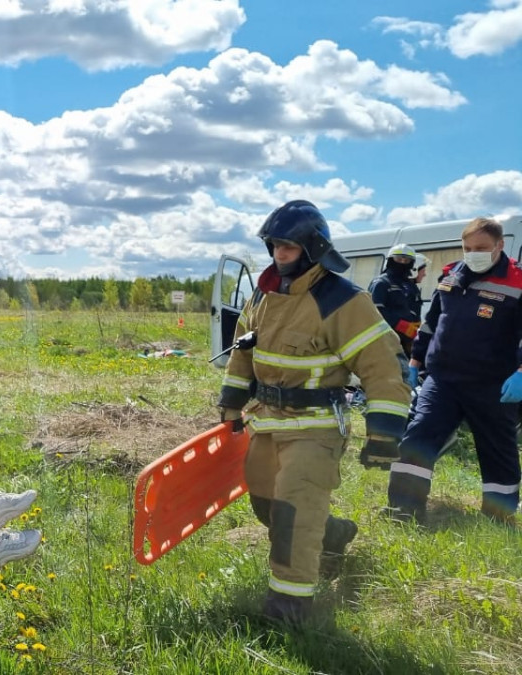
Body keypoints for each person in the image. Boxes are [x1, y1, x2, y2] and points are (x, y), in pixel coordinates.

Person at [218, 200, 411, 624]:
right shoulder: (264, 293)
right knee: (267, 507)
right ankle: (333, 534)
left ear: (311, 248)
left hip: (316, 428)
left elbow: (382, 365)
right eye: (273, 246)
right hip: (268, 422)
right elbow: (242, 352)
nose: (277, 255)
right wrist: (231, 405)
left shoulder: (342, 299)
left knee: (292, 515)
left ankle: (288, 611)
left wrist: (384, 433)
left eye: (286, 247)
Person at [385, 217, 522, 526]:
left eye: (482, 248)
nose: (473, 253)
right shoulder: (451, 275)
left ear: (500, 245)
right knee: (417, 438)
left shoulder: (517, 282)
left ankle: (498, 519)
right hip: (443, 379)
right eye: (468, 247)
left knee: (497, 451)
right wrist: (415, 363)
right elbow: (431, 323)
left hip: (494, 383)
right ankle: (402, 511)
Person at [368, 244, 423, 353]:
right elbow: (374, 310)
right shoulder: (381, 283)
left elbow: (415, 309)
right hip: (386, 339)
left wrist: (419, 328)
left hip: (408, 340)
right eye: (398, 259)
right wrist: (401, 325)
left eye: (406, 260)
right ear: (390, 260)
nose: (402, 262)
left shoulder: (411, 285)